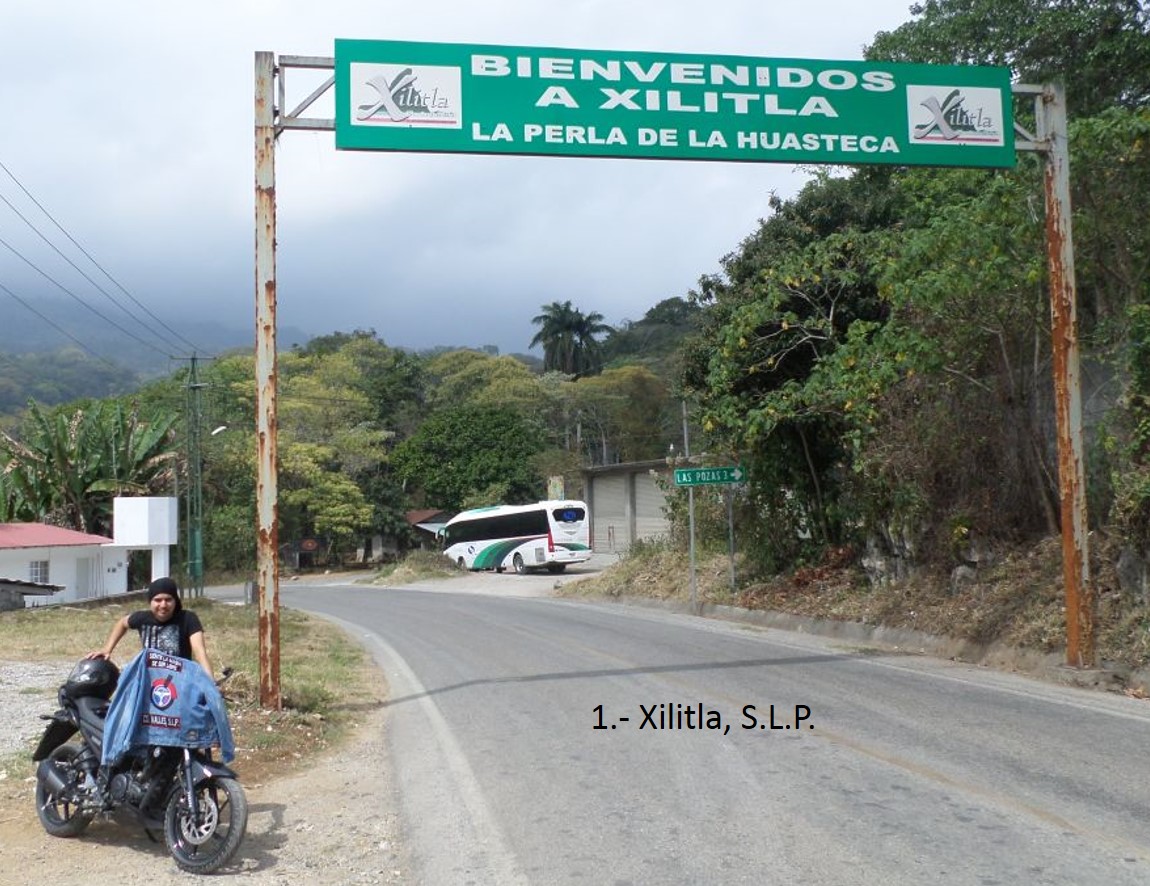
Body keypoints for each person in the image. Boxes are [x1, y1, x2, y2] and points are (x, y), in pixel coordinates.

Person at [88, 576, 214, 680]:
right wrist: (107, 649)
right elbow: (122, 623)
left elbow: (200, 653)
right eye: (158, 600)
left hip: (180, 679)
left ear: (175, 601)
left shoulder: (188, 619)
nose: (163, 605)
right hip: (149, 679)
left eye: (168, 600)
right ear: (150, 602)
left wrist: (211, 683)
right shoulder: (142, 618)